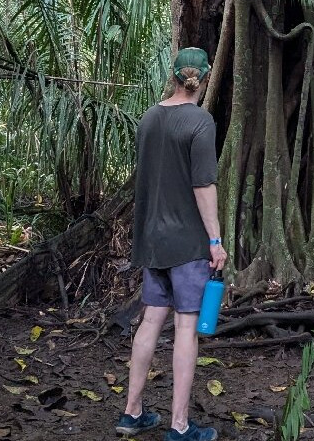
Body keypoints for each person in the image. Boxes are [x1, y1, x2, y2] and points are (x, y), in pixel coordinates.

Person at [116, 47, 228, 441]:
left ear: (175, 75)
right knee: (185, 328)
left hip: (152, 241)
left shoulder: (149, 118)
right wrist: (215, 239)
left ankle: (131, 413)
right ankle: (179, 426)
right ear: (203, 77)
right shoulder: (200, 122)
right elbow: (203, 185)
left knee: (150, 321)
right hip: (187, 243)